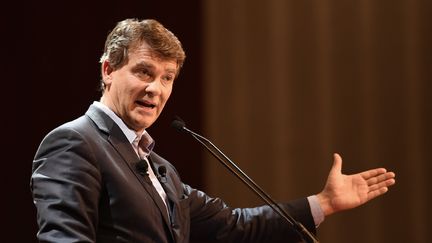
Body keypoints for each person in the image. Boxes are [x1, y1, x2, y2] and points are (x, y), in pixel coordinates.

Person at [30, 18, 396, 243]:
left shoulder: (161, 170)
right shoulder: (75, 143)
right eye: (144, 72)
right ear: (109, 70)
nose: (155, 89)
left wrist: (324, 203)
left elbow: (236, 227)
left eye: (167, 78)